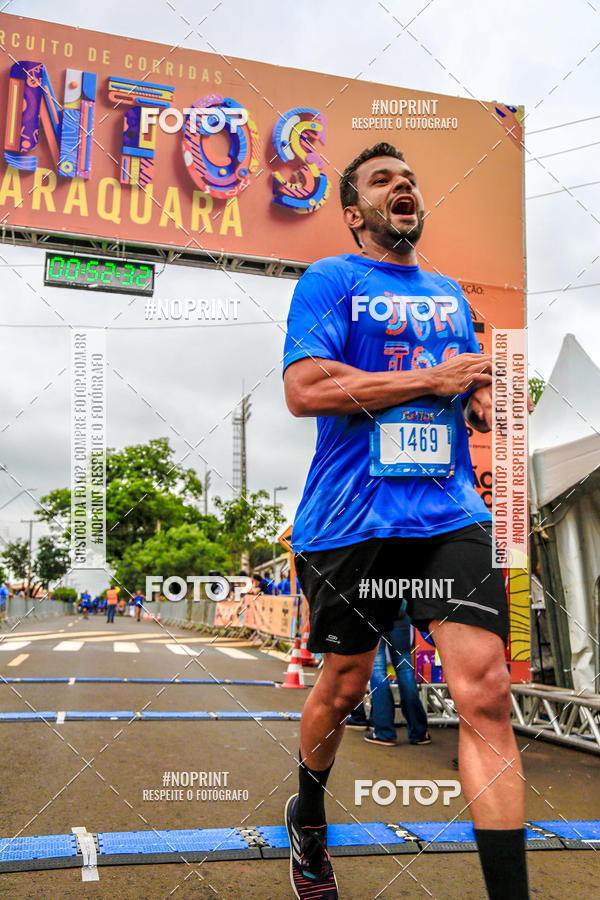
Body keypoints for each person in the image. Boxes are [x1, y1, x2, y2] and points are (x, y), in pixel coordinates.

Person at [282, 143, 529, 900]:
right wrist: (437, 376)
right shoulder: (331, 280)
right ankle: (309, 818)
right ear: (355, 212)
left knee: (484, 692)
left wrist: (491, 401)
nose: (404, 188)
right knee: (344, 683)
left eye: (411, 180)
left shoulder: (451, 294)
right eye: (384, 181)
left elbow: (472, 395)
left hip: (449, 513)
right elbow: (305, 387)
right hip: (353, 519)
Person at [364, 609, 430, 746]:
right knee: (404, 668)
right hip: (398, 607)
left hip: (371, 609)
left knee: (377, 669)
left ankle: (384, 732)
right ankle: (419, 732)